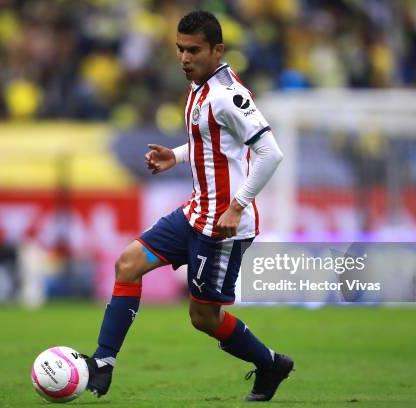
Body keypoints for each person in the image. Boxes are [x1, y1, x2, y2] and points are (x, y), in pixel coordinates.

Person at [85, 10, 292, 402]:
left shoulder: (228, 95)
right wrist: (175, 157)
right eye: (179, 49)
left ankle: (270, 364)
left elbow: (270, 153)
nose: (184, 58)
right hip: (195, 212)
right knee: (127, 264)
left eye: (193, 50)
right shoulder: (199, 87)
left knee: (203, 318)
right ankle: (103, 362)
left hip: (222, 227)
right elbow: (211, 143)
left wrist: (237, 206)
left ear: (218, 50)